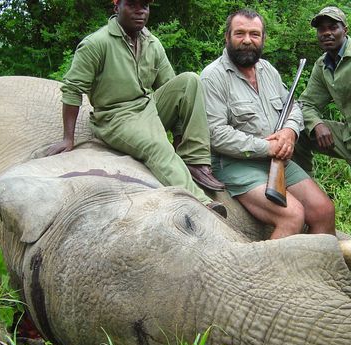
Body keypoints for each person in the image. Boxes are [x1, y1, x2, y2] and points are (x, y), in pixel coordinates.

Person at [47, 0, 227, 217]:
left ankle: (195, 161)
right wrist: (68, 138)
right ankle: (201, 202)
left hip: (148, 105)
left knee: (189, 80)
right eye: (132, 5)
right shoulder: (97, 43)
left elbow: (172, 88)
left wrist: (179, 134)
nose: (140, 11)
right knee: (157, 146)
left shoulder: (152, 42)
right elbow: (73, 89)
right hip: (117, 116)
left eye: (145, 6)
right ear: (117, 8)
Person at [201, 9, 336, 239]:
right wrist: (268, 147)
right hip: (236, 164)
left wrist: (290, 132)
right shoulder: (212, 77)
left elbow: (292, 107)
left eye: (254, 34)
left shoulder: (268, 70)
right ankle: (268, 276)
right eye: (239, 33)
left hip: (277, 160)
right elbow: (216, 134)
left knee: (324, 211)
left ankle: (309, 273)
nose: (247, 40)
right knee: (292, 215)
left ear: (263, 39)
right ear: (227, 37)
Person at [295, 6, 351, 241]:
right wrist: (316, 124)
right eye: (321, 29)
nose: (326, 33)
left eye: (332, 27)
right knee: (297, 132)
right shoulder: (322, 65)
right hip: (349, 137)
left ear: (345, 29)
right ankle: (302, 190)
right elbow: (305, 104)